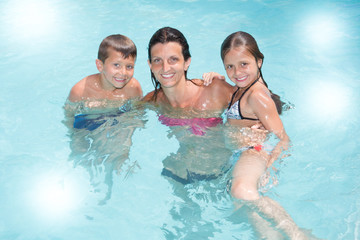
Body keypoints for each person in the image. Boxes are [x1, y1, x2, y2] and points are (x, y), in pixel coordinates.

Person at [206, 31, 314, 239]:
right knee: (250, 211)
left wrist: (270, 167)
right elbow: (234, 91)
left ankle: (298, 235)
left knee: (242, 191)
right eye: (230, 66)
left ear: (259, 62)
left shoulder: (257, 96)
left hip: (253, 152)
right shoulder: (242, 88)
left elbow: (284, 138)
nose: (237, 72)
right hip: (240, 153)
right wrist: (216, 78)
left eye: (244, 64)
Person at [143, 27, 236, 184]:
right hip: (181, 173)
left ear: (187, 62)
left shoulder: (213, 90)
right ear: (150, 65)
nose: (165, 68)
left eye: (173, 59)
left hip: (227, 172)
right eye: (158, 60)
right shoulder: (153, 101)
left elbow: (258, 102)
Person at [65, 34, 143, 130]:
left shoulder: (133, 88)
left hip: (117, 117)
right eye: (116, 65)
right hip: (86, 120)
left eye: (129, 66)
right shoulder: (80, 91)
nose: (123, 73)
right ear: (100, 65)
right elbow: (69, 117)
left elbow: (138, 112)